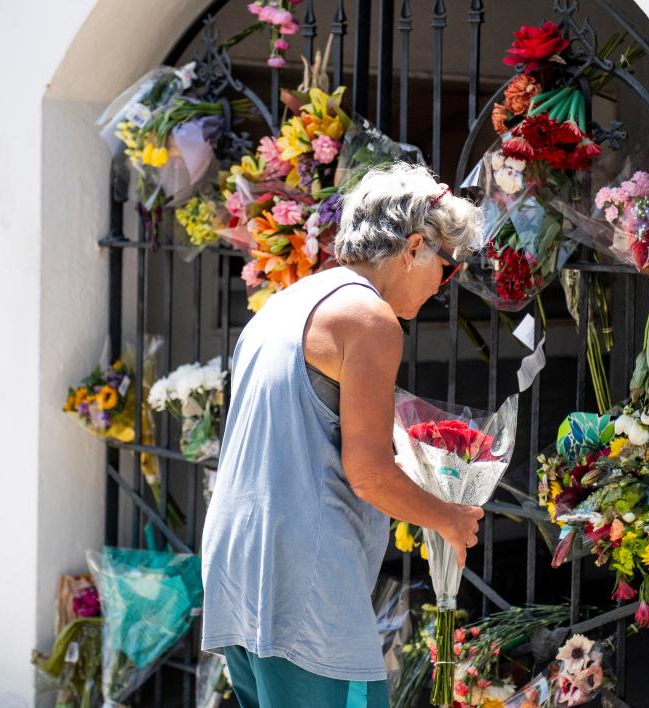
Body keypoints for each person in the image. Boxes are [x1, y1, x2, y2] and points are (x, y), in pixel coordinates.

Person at [201, 162, 485, 707]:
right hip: (298, 568)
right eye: (447, 270)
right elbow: (370, 474)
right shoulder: (370, 319)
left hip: (236, 557)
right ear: (414, 247)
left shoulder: (281, 306)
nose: (443, 287)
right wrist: (450, 518)